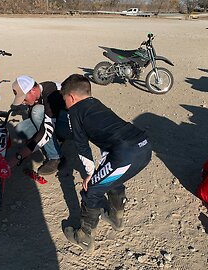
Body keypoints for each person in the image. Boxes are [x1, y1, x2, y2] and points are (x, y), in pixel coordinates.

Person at [59, 74, 152, 252]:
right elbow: (108, 139)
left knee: (92, 189)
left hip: (126, 153)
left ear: (71, 97)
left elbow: (81, 146)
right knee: (110, 179)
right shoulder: (96, 104)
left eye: (65, 100)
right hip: (144, 147)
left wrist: (89, 174)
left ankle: (84, 237)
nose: (65, 105)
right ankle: (116, 218)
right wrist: (99, 168)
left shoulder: (75, 112)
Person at [7, 75, 71, 175]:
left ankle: (56, 157)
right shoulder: (37, 95)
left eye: (23, 99)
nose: (23, 103)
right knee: (20, 130)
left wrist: (19, 156)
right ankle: (56, 139)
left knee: (37, 111)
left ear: (32, 90)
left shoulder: (51, 93)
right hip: (53, 119)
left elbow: (46, 130)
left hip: (69, 125)